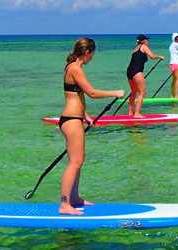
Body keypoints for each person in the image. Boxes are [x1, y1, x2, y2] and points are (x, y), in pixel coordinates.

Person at [59, 37, 125, 215]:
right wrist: (115, 93)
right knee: (75, 162)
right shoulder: (75, 68)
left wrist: (85, 115)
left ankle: (74, 198)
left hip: (75, 118)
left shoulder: (73, 66)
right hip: (71, 120)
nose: (92, 58)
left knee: (79, 160)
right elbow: (92, 93)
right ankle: (65, 204)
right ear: (87, 52)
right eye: (93, 54)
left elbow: (75, 96)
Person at [126, 34, 164, 119]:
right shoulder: (144, 46)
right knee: (142, 92)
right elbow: (152, 56)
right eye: (147, 40)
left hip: (129, 71)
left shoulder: (135, 49)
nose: (148, 41)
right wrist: (160, 57)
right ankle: (137, 113)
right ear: (143, 41)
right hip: (136, 71)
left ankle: (130, 113)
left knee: (134, 91)